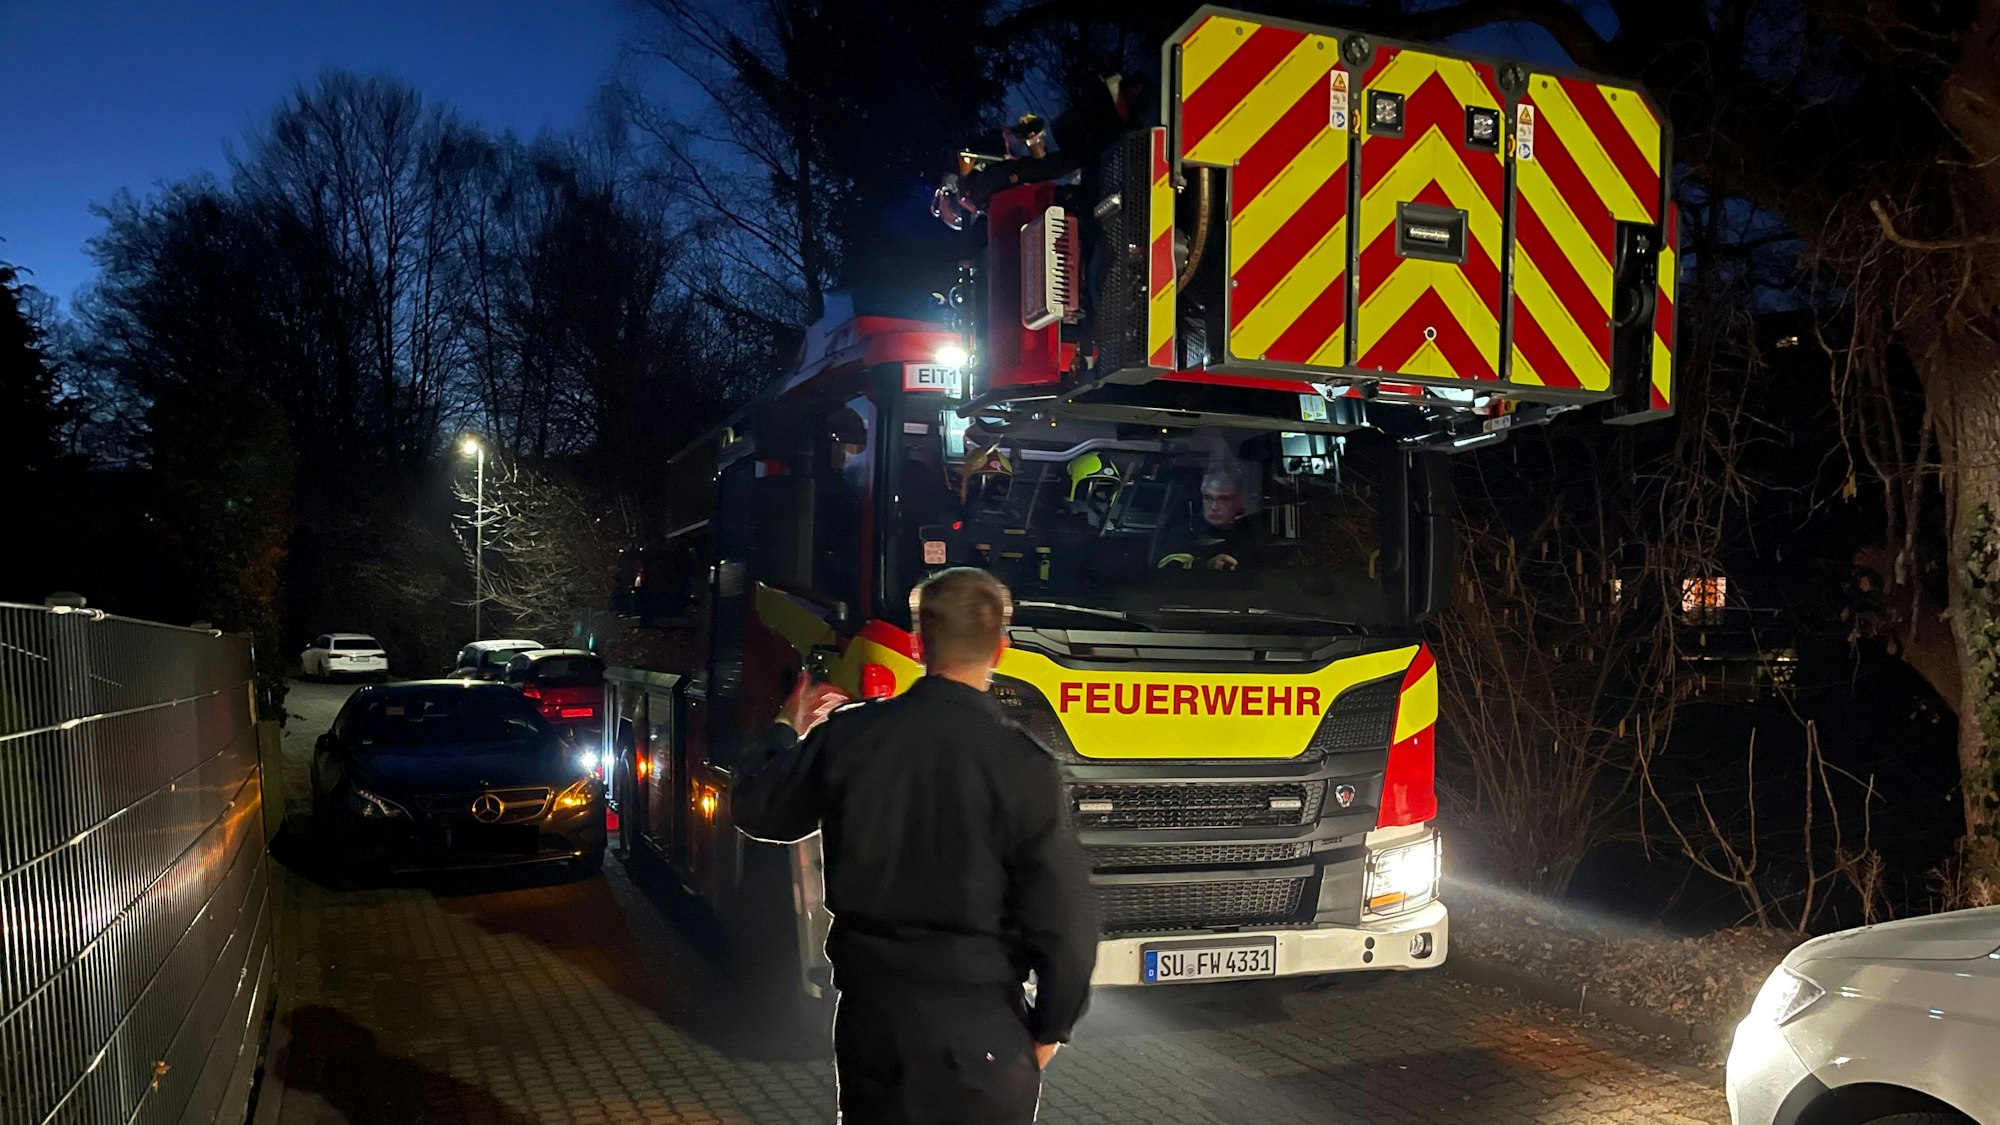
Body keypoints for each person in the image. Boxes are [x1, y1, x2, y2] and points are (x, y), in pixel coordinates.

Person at [732, 568, 1100, 1125]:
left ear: (919, 643)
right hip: (982, 1038)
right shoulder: (1024, 765)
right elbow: (1067, 921)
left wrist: (786, 727)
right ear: (1001, 648)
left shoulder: (852, 735)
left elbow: (760, 809)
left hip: (873, 1028)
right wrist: (1050, 1029)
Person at [1158, 463, 1265, 571]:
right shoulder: (1180, 535)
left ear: (1241, 501)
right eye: (1208, 498)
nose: (1214, 507)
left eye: (1224, 499)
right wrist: (1205, 565)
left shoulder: (1256, 536)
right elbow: (1165, 571)